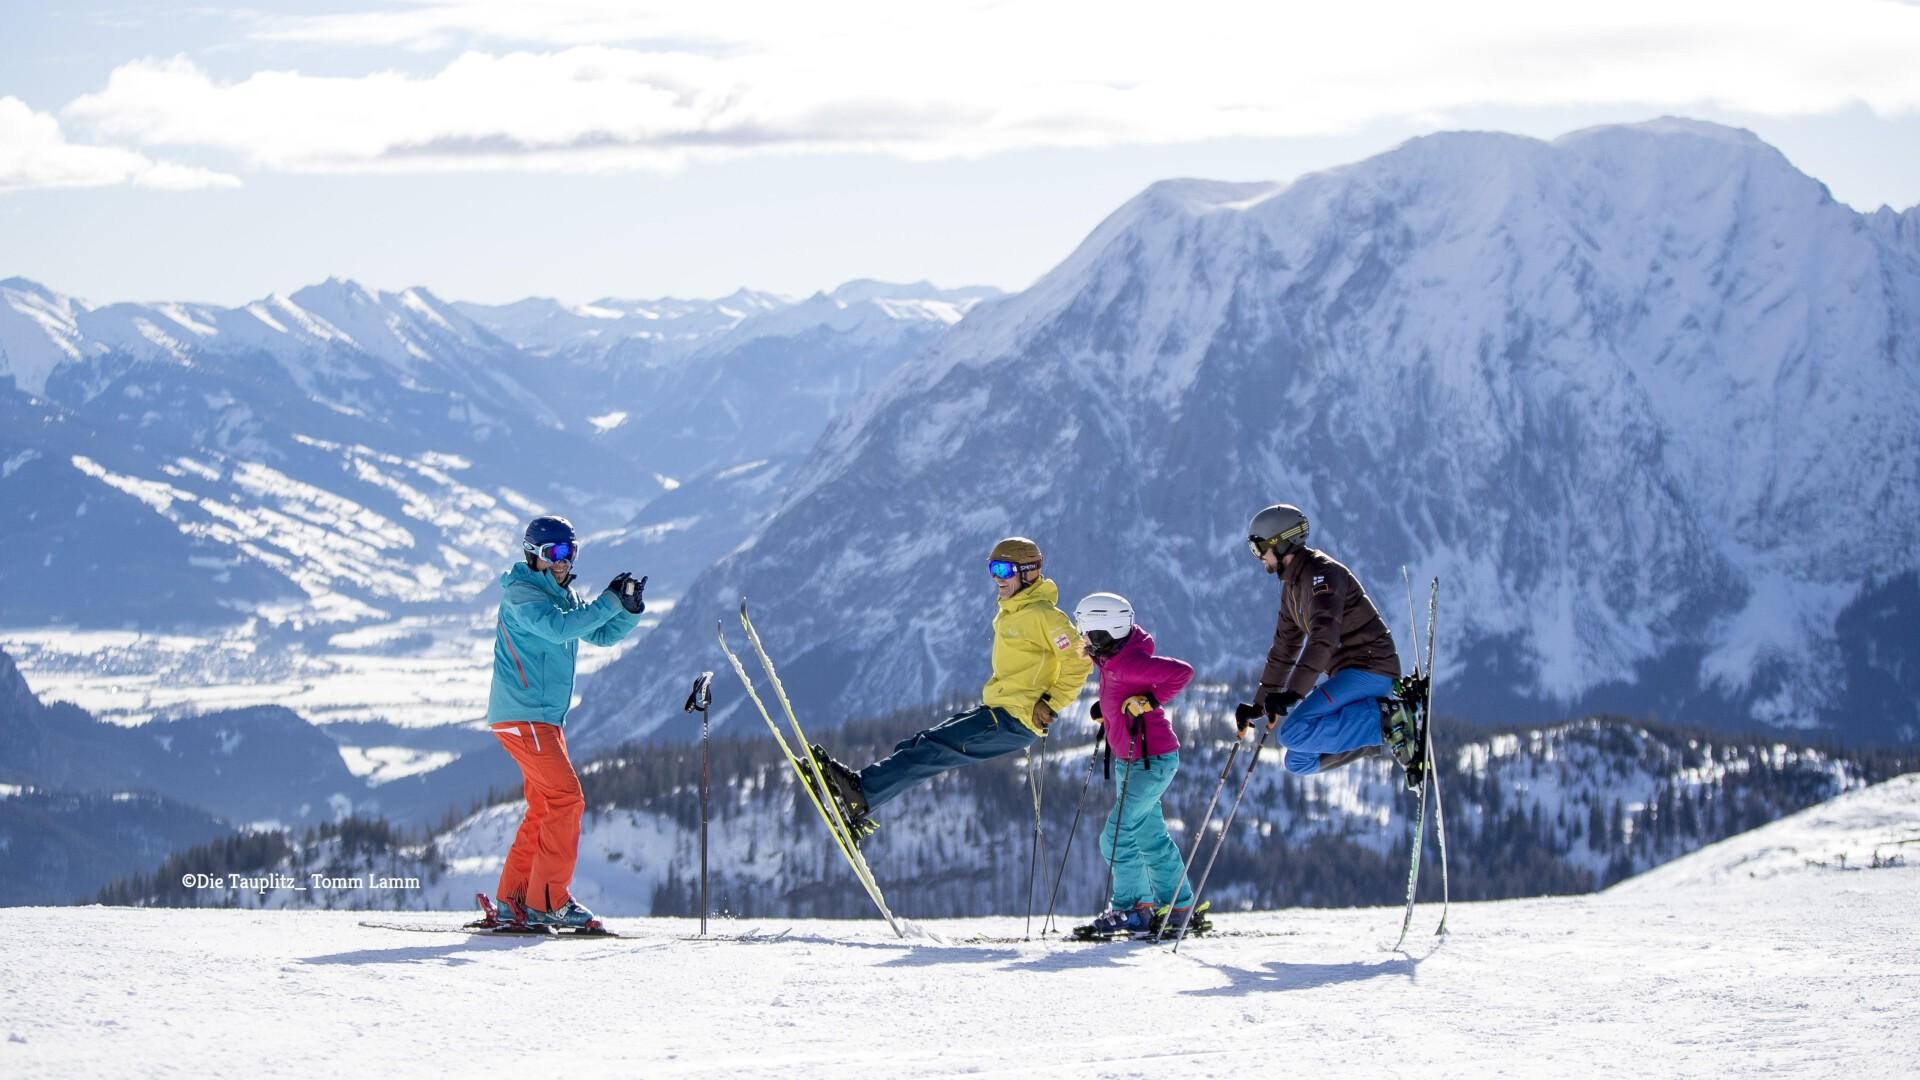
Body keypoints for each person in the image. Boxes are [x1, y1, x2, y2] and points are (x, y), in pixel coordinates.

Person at [808, 537, 1093, 842]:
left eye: (1004, 570)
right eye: (992, 569)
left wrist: (1051, 702)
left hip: (1015, 720)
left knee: (931, 751)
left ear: (1028, 572)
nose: (996, 578)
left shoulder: (1045, 617)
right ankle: (860, 794)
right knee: (920, 745)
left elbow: (1079, 661)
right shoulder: (1014, 611)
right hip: (999, 712)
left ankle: (860, 796)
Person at [482, 515, 646, 931]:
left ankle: (514, 901)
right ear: (532, 554)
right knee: (566, 800)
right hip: (525, 715)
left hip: (540, 719)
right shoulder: (522, 594)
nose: (562, 562)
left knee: (544, 806)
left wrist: (627, 610)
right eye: (554, 552)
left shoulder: (561, 594)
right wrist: (608, 601)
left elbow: (598, 634)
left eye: (569, 553)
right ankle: (548, 901)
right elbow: (559, 630)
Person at [1240, 503, 1418, 778]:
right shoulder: (1292, 589)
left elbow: (1324, 638)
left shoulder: (1322, 575)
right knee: (1297, 761)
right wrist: (1260, 705)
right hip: (1348, 675)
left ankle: (1389, 718)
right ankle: (1388, 732)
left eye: (1259, 547)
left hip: (1370, 669)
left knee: (1292, 733)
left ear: (1282, 542)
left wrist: (1292, 694)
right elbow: (1284, 648)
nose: (1259, 556)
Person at [1067, 592, 1205, 940]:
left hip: (1151, 760)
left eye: (1087, 631)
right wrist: (1108, 711)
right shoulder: (1112, 658)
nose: (1083, 637)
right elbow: (1124, 689)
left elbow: (1182, 673)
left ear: (1105, 632)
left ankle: (1132, 909)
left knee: (1116, 836)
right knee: (1150, 837)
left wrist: (1151, 700)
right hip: (1133, 761)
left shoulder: (1127, 662)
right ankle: (1178, 908)